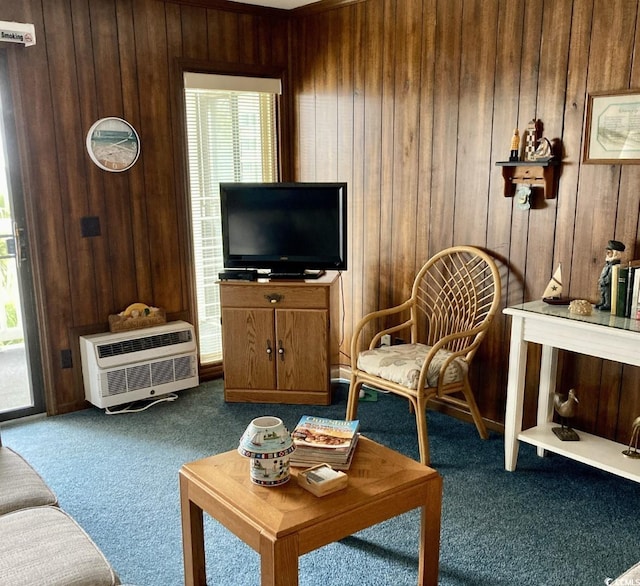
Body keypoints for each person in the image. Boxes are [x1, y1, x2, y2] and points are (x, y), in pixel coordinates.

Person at [595, 240, 625, 310]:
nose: (607, 255)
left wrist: (604, 281)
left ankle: (607, 304)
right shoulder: (608, 264)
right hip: (603, 283)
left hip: (607, 283)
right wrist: (600, 280)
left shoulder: (615, 266)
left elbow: (610, 276)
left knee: (607, 294)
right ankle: (602, 302)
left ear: (615, 253)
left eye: (609, 253)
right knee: (602, 293)